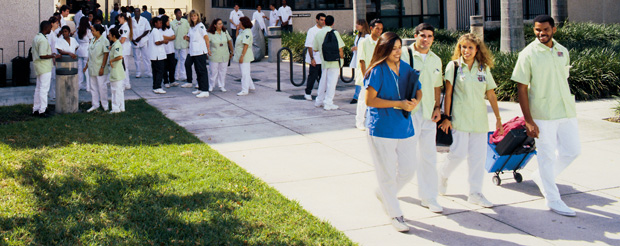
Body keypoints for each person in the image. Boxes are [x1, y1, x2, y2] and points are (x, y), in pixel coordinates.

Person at [511, 15, 581, 217]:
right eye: (537, 30)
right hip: (542, 113)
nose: (541, 33)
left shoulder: (562, 51)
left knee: (572, 151)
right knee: (547, 156)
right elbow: (522, 88)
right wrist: (529, 120)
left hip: (566, 110)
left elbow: (563, 78)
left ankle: (542, 177)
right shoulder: (528, 54)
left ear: (554, 29)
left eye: (545, 30)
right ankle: (553, 199)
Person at [437, 33, 503, 208]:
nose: (466, 51)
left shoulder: (483, 68)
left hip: (479, 121)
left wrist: (498, 118)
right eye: (463, 47)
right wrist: (447, 117)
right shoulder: (454, 66)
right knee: (457, 154)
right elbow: (448, 94)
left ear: (477, 50)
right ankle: (442, 175)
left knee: (478, 158)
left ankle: (475, 193)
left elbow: (491, 93)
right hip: (460, 118)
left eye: (470, 47)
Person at [364, 32, 421, 232]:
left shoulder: (406, 68)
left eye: (399, 48)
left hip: (404, 127)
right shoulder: (377, 71)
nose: (398, 52)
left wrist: (415, 103)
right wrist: (398, 103)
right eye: (394, 48)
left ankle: (384, 193)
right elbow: (370, 100)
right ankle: (395, 214)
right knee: (387, 173)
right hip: (381, 128)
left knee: (408, 170)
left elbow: (419, 89)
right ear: (385, 49)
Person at [399, 23, 444, 213]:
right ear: (415, 35)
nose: (426, 39)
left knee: (429, 157)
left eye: (430, 36)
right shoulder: (403, 54)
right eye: (422, 35)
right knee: (405, 158)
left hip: (428, 115)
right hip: (409, 113)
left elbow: (436, 86)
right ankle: (389, 188)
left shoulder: (436, 59)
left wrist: (437, 107)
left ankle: (429, 197)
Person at [312, 15, 344, 110]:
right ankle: (328, 103)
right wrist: (342, 59)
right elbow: (340, 49)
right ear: (333, 23)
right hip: (335, 61)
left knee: (323, 82)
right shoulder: (335, 33)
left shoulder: (319, 33)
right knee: (331, 83)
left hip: (324, 61)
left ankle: (319, 101)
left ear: (325, 22)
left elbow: (315, 49)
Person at [355, 19, 383, 127]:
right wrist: (365, 76)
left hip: (379, 76)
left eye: (381, 29)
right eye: (377, 28)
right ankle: (360, 122)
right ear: (371, 28)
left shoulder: (382, 42)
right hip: (367, 76)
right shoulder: (364, 42)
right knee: (363, 100)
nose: (379, 31)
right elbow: (361, 60)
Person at [32, 21, 61, 117]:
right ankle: (42, 110)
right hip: (44, 67)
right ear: (46, 28)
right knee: (44, 89)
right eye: (50, 27)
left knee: (38, 89)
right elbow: (42, 55)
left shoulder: (37, 37)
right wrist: (53, 56)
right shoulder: (43, 40)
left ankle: (36, 109)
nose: (50, 29)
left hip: (38, 67)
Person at [184, 10, 211, 98]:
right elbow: (191, 38)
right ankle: (200, 87)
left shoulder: (200, 26)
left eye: (195, 16)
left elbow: (206, 37)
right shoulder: (192, 27)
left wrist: (208, 49)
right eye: (192, 16)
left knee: (202, 70)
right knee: (197, 70)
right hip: (193, 52)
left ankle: (205, 90)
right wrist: (186, 38)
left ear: (198, 16)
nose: (193, 17)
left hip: (200, 51)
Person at [83, 24, 110, 112]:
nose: (91, 32)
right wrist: (86, 66)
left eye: (93, 30)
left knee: (102, 87)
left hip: (99, 67)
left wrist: (102, 67)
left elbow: (106, 54)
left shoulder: (104, 41)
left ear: (98, 31)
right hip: (92, 67)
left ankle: (105, 105)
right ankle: (95, 104)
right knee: (93, 87)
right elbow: (89, 54)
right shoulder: (93, 40)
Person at [303, 13, 326, 101]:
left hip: (323, 59)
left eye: (324, 20)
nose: (323, 21)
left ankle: (321, 94)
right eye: (321, 20)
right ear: (317, 20)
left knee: (322, 77)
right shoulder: (312, 30)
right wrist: (312, 58)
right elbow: (309, 45)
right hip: (315, 58)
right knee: (313, 76)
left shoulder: (325, 30)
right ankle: (308, 93)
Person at [207, 18, 233, 92]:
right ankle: (211, 85)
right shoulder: (210, 34)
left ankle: (222, 85)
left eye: (221, 23)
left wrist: (231, 52)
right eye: (219, 24)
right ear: (215, 25)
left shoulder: (225, 32)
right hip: (214, 55)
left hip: (224, 55)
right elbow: (207, 43)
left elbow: (229, 41)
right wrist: (207, 51)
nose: (221, 25)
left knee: (223, 71)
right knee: (213, 71)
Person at [350, 19, 371, 104]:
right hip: (357, 59)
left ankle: (356, 96)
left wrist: (357, 48)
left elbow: (367, 48)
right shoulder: (358, 36)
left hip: (364, 60)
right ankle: (357, 96)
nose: (356, 26)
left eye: (358, 24)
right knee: (359, 78)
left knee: (361, 78)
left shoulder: (367, 36)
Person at [233, 17, 255, 96]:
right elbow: (237, 38)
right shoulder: (243, 32)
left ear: (243, 24)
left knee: (244, 73)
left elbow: (246, 45)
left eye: (240, 23)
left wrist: (242, 56)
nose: (239, 24)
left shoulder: (247, 32)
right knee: (246, 72)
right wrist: (237, 30)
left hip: (245, 55)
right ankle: (251, 86)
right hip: (240, 54)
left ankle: (245, 90)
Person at [107, 28, 126, 113]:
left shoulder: (117, 45)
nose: (108, 36)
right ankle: (121, 107)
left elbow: (119, 56)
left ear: (113, 36)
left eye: (110, 34)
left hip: (116, 71)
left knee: (115, 90)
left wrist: (111, 60)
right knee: (119, 91)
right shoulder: (115, 44)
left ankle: (116, 108)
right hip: (117, 71)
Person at [149, 17, 168, 94]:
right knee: (160, 71)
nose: (161, 24)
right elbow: (157, 42)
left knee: (156, 71)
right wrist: (164, 41)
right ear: (155, 23)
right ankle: (158, 86)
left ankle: (155, 86)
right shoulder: (156, 31)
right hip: (157, 56)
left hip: (155, 55)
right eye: (159, 23)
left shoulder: (155, 31)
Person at [171, 8, 190, 84]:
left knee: (184, 59)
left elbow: (189, 31)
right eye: (178, 13)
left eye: (181, 13)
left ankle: (183, 75)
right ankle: (176, 75)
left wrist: (188, 37)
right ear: (175, 14)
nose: (180, 14)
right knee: (175, 60)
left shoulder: (185, 22)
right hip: (175, 44)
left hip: (184, 44)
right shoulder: (172, 23)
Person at [132, 8, 152, 78]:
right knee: (136, 58)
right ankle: (138, 72)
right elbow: (129, 31)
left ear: (140, 12)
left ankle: (148, 72)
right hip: (135, 42)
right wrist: (132, 39)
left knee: (146, 57)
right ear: (134, 12)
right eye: (135, 11)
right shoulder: (131, 20)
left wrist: (140, 37)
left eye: (138, 11)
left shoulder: (144, 20)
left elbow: (147, 29)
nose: (137, 13)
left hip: (143, 41)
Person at [75, 17, 92, 91]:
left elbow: (76, 40)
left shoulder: (78, 31)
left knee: (80, 69)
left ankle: (79, 85)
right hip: (86, 50)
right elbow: (91, 40)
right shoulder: (88, 31)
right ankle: (88, 86)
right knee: (86, 69)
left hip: (79, 50)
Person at [161, 15, 178, 88]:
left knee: (172, 66)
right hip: (164, 51)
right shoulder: (160, 30)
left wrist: (167, 38)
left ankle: (172, 80)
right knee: (164, 67)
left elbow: (174, 37)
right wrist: (169, 38)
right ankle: (166, 81)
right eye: (167, 21)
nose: (169, 22)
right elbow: (162, 37)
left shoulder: (170, 29)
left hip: (171, 50)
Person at [117, 13, 133, 90]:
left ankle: (125, 83)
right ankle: (126, 83)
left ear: (123, 17)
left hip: (124, 48)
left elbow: (122, 40)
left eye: (119, 18)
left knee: (123, 67)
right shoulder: (123, 26)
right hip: (123, 48)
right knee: (124, 66)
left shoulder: (126, 27)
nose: (118, 20)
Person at [46, 16, 61, 101]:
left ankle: (52, 93)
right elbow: (50, 47)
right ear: (52, 24)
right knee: (51, 77)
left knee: (53, 77)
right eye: (56, 23)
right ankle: (51, 94)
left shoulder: (53, 33)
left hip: (55, 56)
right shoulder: (50, 34)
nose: (58, 25)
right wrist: (53, 57)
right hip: (52, 57)